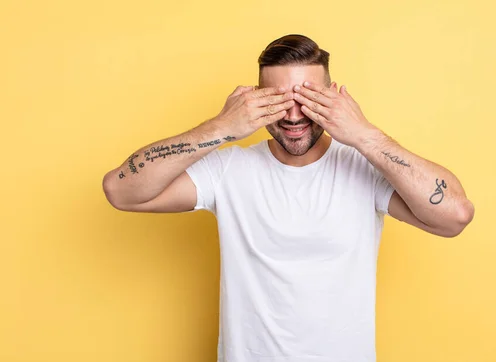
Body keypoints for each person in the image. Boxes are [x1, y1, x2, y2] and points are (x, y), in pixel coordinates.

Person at [102, 34, 474, 362]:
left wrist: (364, 135)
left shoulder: (364, 168)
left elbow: (455, 215)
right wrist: (221, 127)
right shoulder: (228, 170)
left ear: (332, 99)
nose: (294, 115)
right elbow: (121, 190)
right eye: (278, 101)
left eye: (308, 98)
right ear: (255, 100)